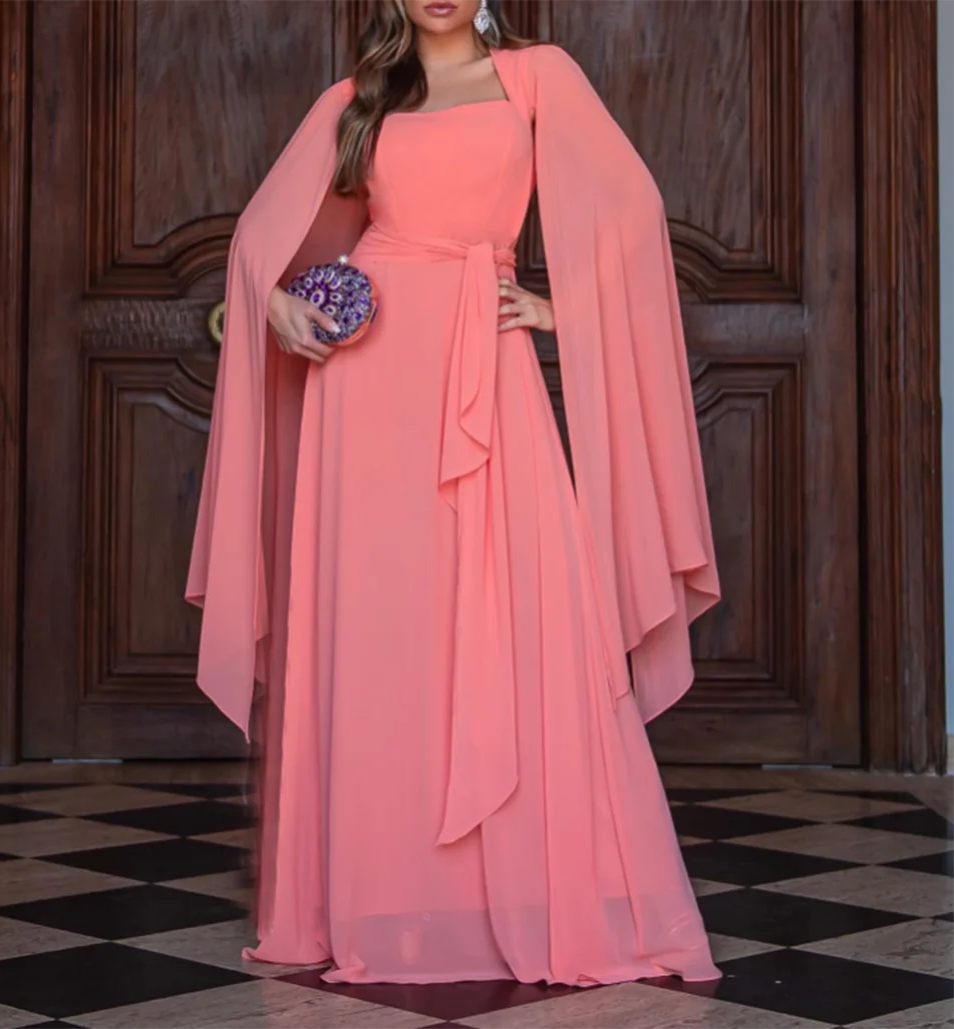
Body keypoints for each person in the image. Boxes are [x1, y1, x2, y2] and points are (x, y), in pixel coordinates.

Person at [187, 0, 721, 988]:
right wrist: (274, 299)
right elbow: (262, 244)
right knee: (382, 631)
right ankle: (386, 900)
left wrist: (563, 310)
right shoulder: (355, 98)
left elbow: (633, 219)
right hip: (367, 386)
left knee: (519, 618)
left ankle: (522, 895)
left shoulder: (538, 76)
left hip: (486, 361)